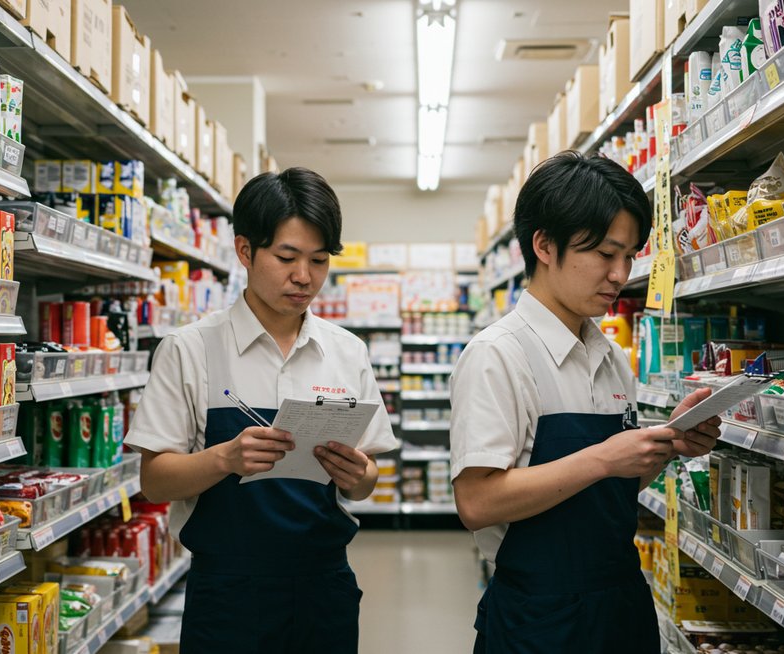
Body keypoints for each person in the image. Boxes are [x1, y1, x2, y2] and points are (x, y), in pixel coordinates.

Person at [449, 151, 723, 653]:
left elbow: (607, 487)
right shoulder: (498, 355)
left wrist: (665, 446)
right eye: (604, 253)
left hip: (620, 604)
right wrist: (601, 458)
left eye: (630, 255)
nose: (620, 274)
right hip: (541, 618)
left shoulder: (611, 355)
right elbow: (476, 502)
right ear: (545, 245)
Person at [124, 167, 397, 654]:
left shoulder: (346, 351)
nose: (304, 277)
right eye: (287, 257)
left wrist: (358, 475)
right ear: (245, 251)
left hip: (324, 585)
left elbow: (368, 478)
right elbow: (154, 480)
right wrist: (223, 459)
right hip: (230, 593)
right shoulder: (190, 349)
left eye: (318, 260)